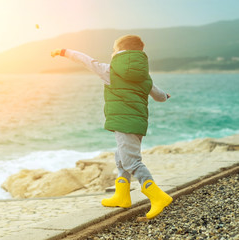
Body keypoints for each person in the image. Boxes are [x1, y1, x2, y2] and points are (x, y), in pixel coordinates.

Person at [51, 35, 172, 219]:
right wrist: (167, 96)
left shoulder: (110, 71)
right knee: (121, 156)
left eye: (113, 49)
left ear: (119, 51)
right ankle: (122, 196)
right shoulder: (144, 77)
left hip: (123, 124)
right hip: (138, 124)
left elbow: (86, 60)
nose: (112, 52)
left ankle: (157, 196)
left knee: (132, 162)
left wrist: (64, 52)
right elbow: (159, 95)